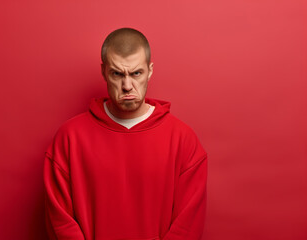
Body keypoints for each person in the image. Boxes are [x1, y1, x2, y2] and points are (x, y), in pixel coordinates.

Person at [43, 28, 208, 240]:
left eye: (136, 73)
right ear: (104, 72)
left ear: (150, 71)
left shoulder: (183, 140)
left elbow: (188, 227)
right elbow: (60, 222)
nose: (127, 85)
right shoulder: (69, 138)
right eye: (117, 74)